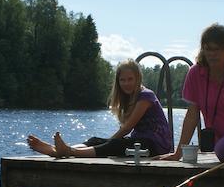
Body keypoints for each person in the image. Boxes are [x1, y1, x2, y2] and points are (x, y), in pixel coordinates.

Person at [27, 59, 172, 158]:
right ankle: (59, 151)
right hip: (140, 142)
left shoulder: (146, 96)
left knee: (114, 145)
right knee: (95, 140)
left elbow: (127, 128)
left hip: (156, 146)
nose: (126, 83)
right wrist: (105, 142)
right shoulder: (127, 98)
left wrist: (109, 142)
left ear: (138, 79)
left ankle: (68, 151)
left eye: (130, 79)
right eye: (122, 80)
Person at [157, 23, 224, 162]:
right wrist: (178, 153)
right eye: (207, 49)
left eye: (216, 49)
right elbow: (192, 115)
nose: (211, 54)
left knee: (223, 149)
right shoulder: (195, 73)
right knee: (222, 149)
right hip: (218, 141)